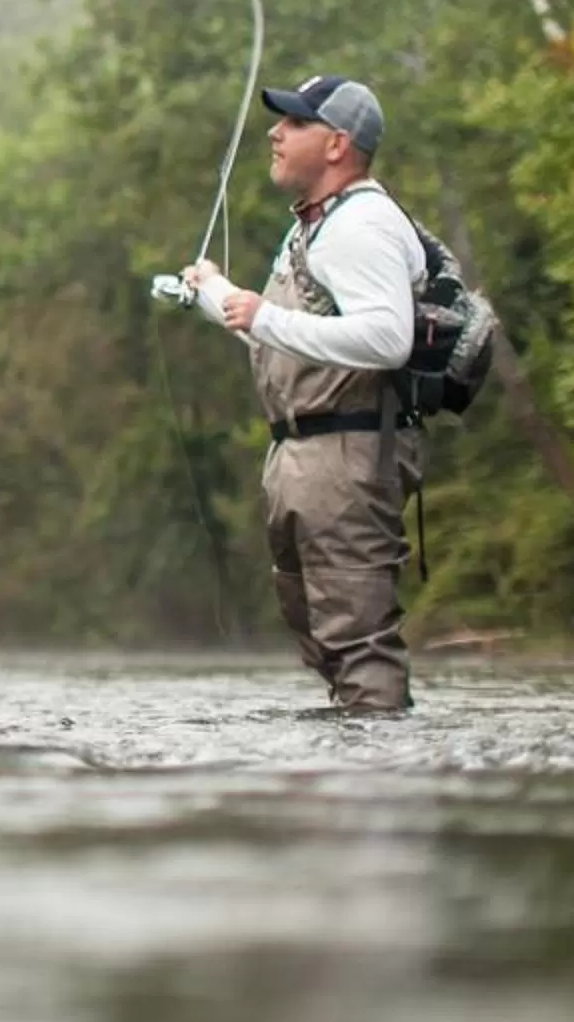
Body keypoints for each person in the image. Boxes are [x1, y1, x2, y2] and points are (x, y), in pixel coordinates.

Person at [180, 73, 427, 715]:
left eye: (293, 122)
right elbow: (287, 335)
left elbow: (388, 338)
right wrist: (216, 295)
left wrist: (262, 316)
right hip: (303, 455)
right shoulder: (313, 226)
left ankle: (378, 789)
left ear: (338, 144)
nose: (275, 132)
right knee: (320, 633)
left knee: (359, 642)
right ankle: (352, 764)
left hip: (348, 454)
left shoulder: (362, 223)